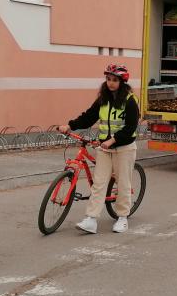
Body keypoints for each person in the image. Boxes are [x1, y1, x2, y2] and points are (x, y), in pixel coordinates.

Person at [57, 64, 139, 234]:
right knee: (99, 184)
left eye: (114, 80)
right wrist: (70, 126)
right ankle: (91, 219)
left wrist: (112, 141)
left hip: (124, 148)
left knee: (123, 183)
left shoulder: (130, 100)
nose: (110, 83)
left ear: (122, 82)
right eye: (108, 79)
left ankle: (122, 217)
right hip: (104, 148)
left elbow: (130, 127)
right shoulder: (103, 99)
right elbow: (88, 117)